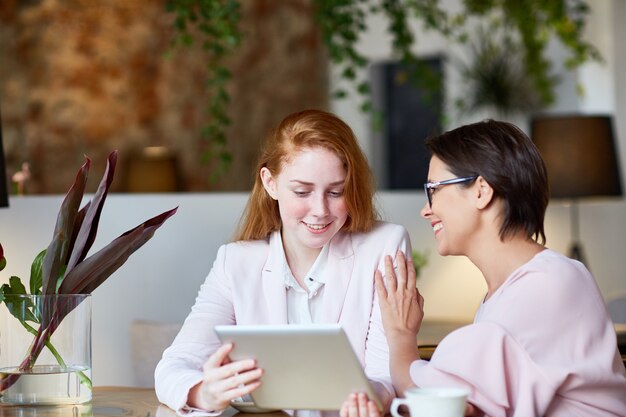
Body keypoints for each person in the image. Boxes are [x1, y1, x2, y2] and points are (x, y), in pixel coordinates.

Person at [343, 119, 626, 417]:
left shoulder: (549, 283)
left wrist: (400, 334)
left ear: (481, 190)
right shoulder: (508, 292)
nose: (426, 209)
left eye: (433, 190)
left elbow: (431, 397)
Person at [154, 109, 411, 416]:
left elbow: (387, 376)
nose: (320, 210)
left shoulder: (384, 247)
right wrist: (204, 393)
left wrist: (374, 398)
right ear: (270, 183)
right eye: (302, 191)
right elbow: (172, 368)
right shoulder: (236, 262)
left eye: (336, 191)